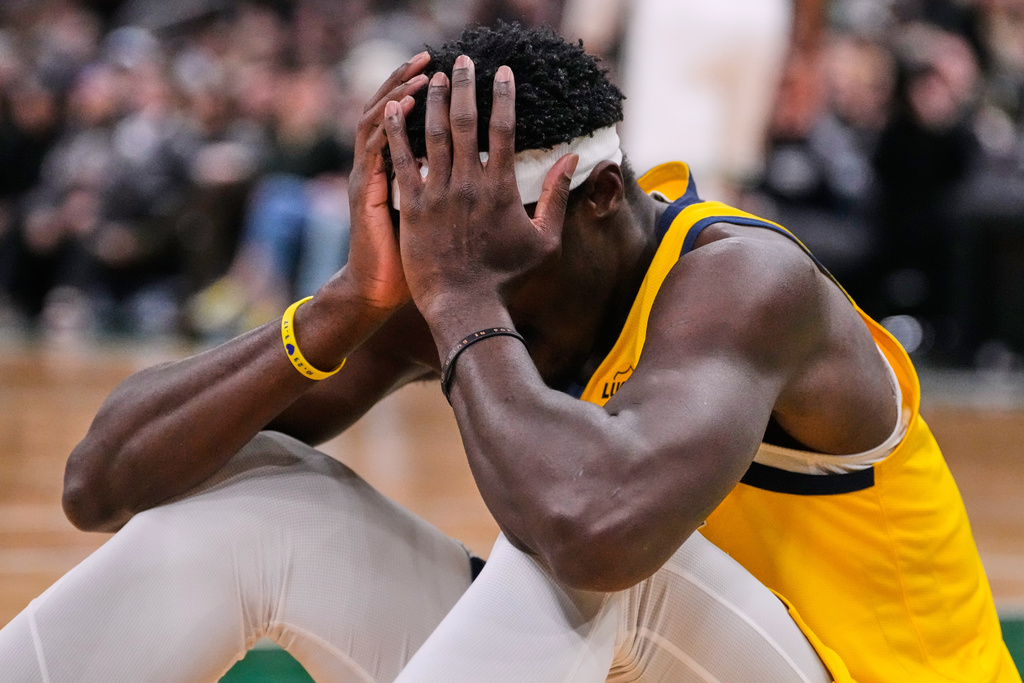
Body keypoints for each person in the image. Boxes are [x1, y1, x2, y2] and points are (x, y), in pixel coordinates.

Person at [0, 23, 1018, 683]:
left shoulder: (746, 285)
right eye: (430, 239)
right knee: (261, 499)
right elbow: (103, 481)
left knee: (598, 544)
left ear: (602, 200)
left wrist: (457, 296)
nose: (444, 269)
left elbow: (595, 531)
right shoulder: (458, 274)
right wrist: (351, 302)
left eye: (476, 251)